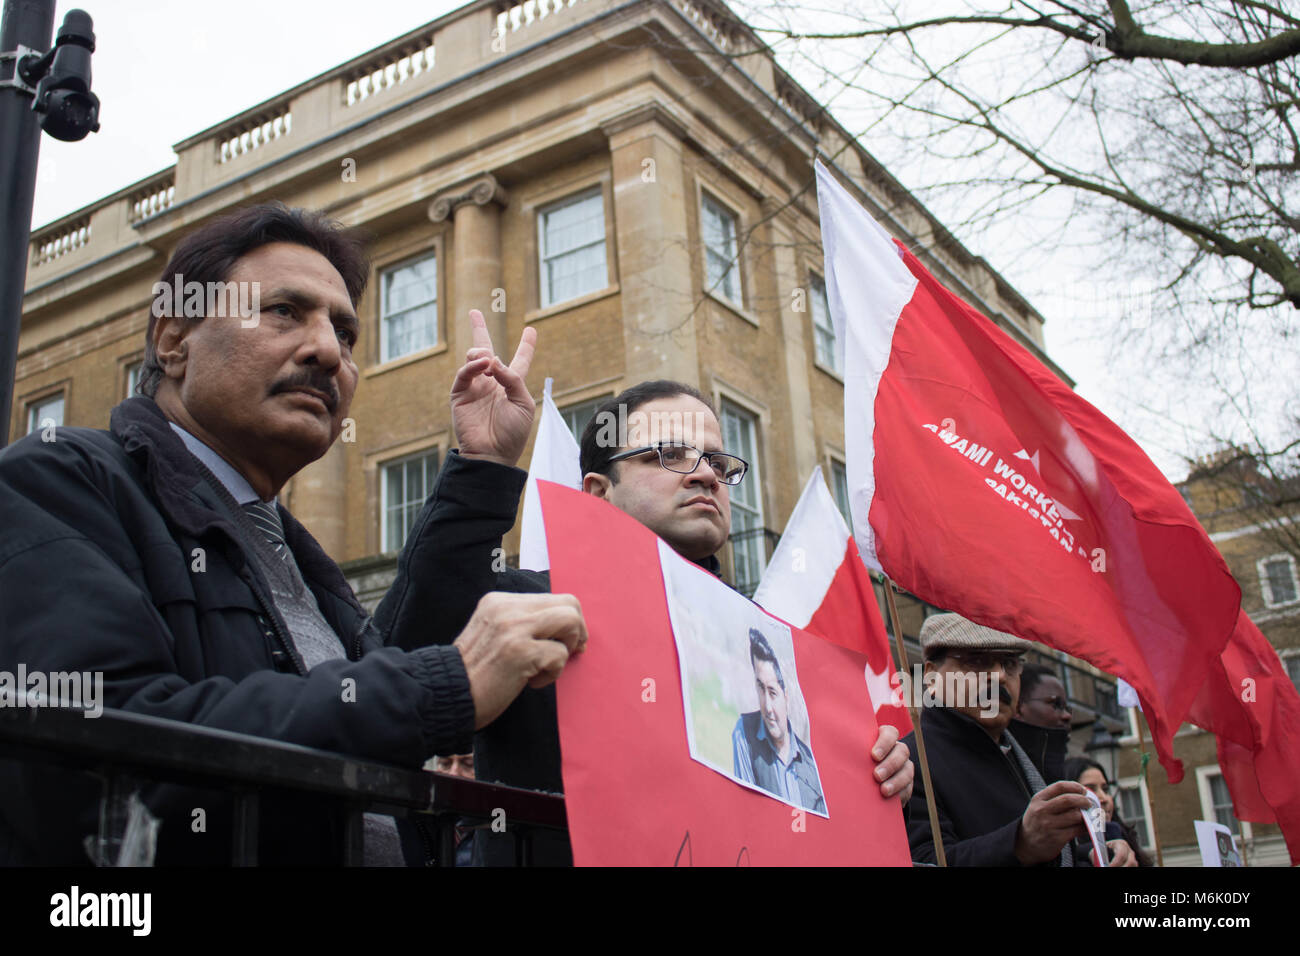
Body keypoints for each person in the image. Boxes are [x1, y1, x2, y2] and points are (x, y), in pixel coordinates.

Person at [0, 204, 586, 866]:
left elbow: (395, 672)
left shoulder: (298, 563)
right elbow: (88, 759)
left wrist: (480, 473)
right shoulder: (59, 480)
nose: (328, 350)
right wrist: (445, 686)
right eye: (284, 311)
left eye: (344, 331)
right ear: (174, 340)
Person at [394, 377, 914, 863]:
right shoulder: (531, 604)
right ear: (599, 492)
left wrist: (875, 776)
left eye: (717, 461)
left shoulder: (772, 648)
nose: (706, 473)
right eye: (669, 454)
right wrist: (483, 464)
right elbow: (406, 645)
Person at [902, 613, 1137, 867]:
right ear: (932, 675)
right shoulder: (910, 763)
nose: (999, 676)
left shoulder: (1026, 752)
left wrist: (1092, 856)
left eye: (1010, 663)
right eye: (977, 661)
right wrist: (1020, 842)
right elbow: (923, 861)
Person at [731, 629, 825, 813]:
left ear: (786, 696)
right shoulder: (743, 733)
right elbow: (746, 813)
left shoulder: (810, 764)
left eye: (773, 693)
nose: (767, 706)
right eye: (760, 688)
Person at [1064, 756, 1154, 867]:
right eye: (1090, 791)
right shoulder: (1063, 856)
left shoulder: (1128, 844)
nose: (1104, 798)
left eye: (1105, 789)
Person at [1010, 663, 1073, 783]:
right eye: (1055, 704)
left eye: (1066, 708)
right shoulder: (1001, 768)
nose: (1067, 715)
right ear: (1018, 707)